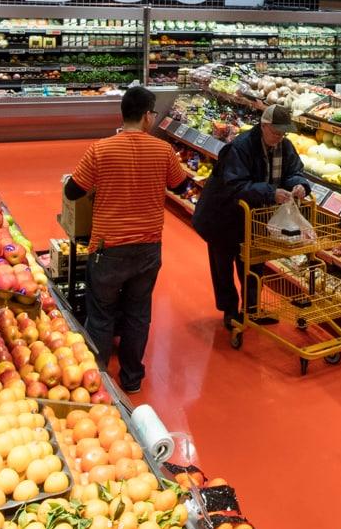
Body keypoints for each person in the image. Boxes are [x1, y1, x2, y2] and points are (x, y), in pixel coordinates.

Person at [62, 85, 192, 393]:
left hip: (108, 246)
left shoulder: (100, 149)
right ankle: (132, 378)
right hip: (147, 247)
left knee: (101, 313)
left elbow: (72, 191)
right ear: (147, 116)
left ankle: (98, 380)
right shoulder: (163, 151)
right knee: (138, 314)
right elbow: (181, 187)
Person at [192, 104, 307, 330]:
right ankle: (230, 311)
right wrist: (270, 193)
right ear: (264, 126)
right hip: (223, 215)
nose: (279, 137)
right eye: (276, 132)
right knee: (223, 264)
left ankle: (252, 309)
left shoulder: (285, 146)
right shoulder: (240, 147)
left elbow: (294, 171)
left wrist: (299, 185)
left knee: (254, 262)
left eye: (283, 132)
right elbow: (235, 185)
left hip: (253, 215)